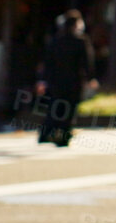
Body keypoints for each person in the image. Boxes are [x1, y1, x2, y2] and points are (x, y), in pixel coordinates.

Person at [36, 10, 97, 147]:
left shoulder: (55, 41)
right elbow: (87, 62)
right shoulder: (81, 41)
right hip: (74, 82)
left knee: (54, 107)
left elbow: (47, 62)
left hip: (55, 82)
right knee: (69, 109)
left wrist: (43, 80)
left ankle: (45, 133)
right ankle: (63, 136)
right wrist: (90, 78)